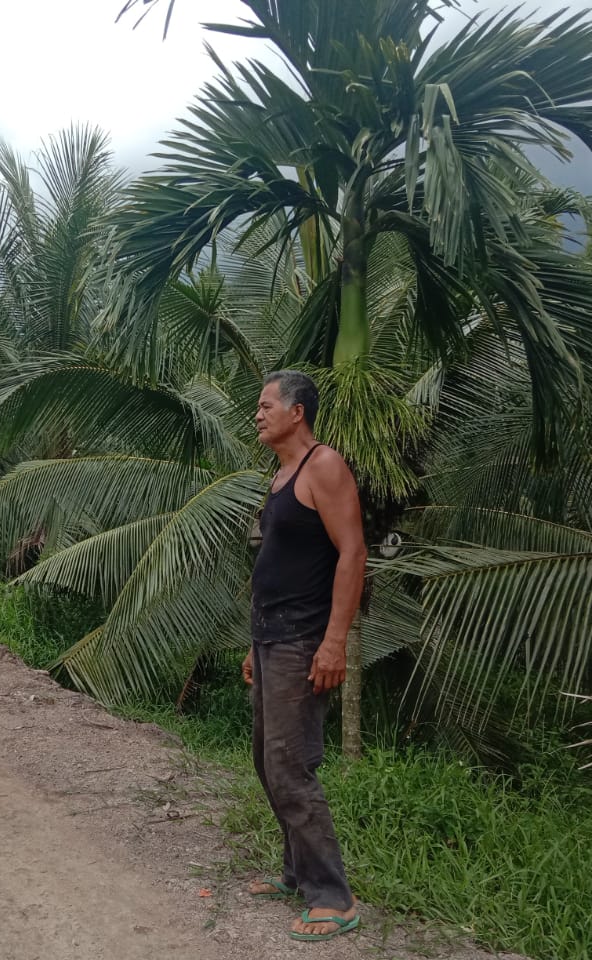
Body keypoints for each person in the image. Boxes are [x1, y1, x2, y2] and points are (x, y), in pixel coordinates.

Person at [243, 369, 366, 942]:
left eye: (266, 405)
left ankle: (333, 898)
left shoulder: (324, 466)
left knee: (291, 766)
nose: (258, 414)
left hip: (302, 639)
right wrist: (253, 644)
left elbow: (352, 553)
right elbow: (276, 566)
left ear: (297, 412)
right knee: (267, 762)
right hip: (270, 637)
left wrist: (334, 641)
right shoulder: (281, 477)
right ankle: (296, 872)